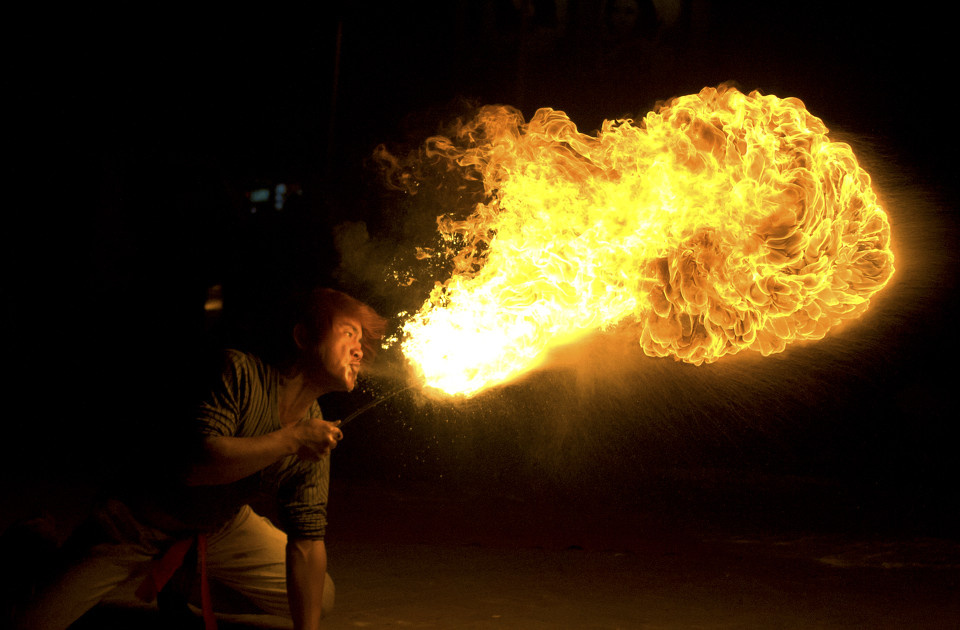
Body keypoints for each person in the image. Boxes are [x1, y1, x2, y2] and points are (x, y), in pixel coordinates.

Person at [15, 287, 387, 630]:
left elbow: (307, 539)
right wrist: (291, 440)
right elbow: (196, 467)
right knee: (30, 622)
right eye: (348, 333)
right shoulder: (237, 370)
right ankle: (32, 548)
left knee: (319, 597)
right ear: (303, 337)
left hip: (219, 526)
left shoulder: (314, 429)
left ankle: (178, 577)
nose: (360, 351)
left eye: (361, 342)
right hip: (136, 524)